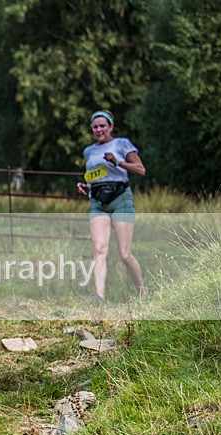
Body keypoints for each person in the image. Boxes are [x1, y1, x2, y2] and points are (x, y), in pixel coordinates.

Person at [76, 110, 147, 300]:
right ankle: (99, 296)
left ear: (111, 127)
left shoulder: (122, 144)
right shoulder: (89, 151)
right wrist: (87, 186)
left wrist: (118, 161)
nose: (99, 130)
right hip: (98, 202)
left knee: (125, 255)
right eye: (95, 127)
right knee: (99, 250)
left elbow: (141, 170)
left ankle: (142, 292)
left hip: (120, 199)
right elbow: (97, 175)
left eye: (102, 126)